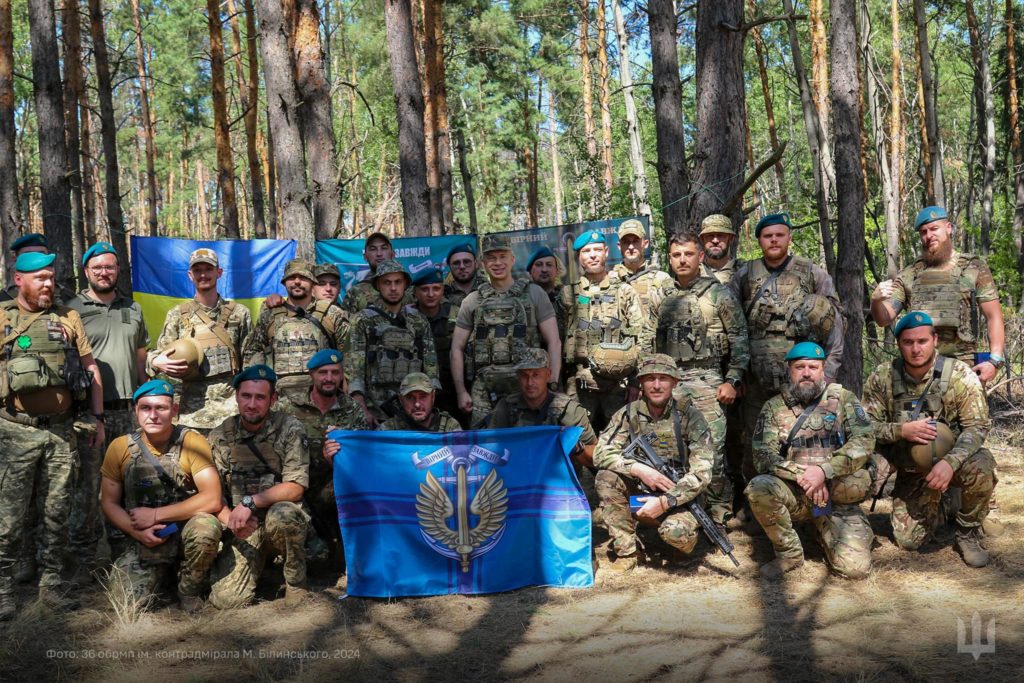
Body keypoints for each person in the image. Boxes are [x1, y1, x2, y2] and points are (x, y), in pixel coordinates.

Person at [0, 252, 105, 619]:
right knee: (9, 517)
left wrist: (98, 417)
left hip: (62, 431)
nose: (48, 283)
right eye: (40, 278)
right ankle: (4, 590)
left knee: (57, 512)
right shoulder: (2, 317)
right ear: (19, 280)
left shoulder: (68, 317)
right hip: (15, 431)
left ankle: (51, 587)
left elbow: (90, 368)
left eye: (51, 277)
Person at [861, 312, 997, 567]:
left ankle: (967, 531)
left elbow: (976, 427)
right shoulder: (883, 377)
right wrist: (901, 431)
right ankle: (947, 502)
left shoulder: (958, 374)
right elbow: (864, 427)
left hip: (950, 461)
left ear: (935, 340)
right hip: (909, 466)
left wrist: (950, 463)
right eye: (908, 342)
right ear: (898, 343)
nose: (915, 349)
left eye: (922, 341)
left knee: (981, 466)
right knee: (909, 541)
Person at [745, 342, 875, 580]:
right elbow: (763, 454)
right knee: (759, 487)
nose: (806, 372)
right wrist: (803, 476)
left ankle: (831, 529)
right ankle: (789, 554)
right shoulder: (773, 407)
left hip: (836, 496)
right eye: (800, 367)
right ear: (789, 369)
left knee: (855, 571)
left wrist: (824, 471)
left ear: (823, 368)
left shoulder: (844, 399)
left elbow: (864, 441)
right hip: (796, 494)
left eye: (813, 367)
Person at [730, 212, 844, 479]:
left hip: (803, 380)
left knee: (807, 441)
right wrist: (736, 375)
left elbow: (835, 322)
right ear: (759, 240)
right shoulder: (744, 275)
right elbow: (731, 326)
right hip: (756, 381)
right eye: (768, 236)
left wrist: (829, 372)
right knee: (755, 443)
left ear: (789, 237)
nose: (774, 240)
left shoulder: (812, 273)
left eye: (779, 235)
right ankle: (758, 505)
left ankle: (810, 505)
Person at [648, 230, 749, 528]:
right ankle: (688, 509)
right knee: (677, 448)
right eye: (676, 255)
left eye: (688, 254)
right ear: (670, 258)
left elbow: (740, 340)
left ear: (700, 256)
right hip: (671, 384)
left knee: (713, 450)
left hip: (707, 381)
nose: (682, 260)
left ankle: (719, 512)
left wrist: (733, 380)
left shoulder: (718, 293)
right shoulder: (663, 297)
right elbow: (649, 342)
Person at [98, 380, 222, 612]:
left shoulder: (192, 443)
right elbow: (109, 501)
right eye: (146, 408)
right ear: (136, 411)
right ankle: (163, 574)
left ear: (174, 411)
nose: (153, 415)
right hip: (142, 539)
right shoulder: (119, 447)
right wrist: (137, 531)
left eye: (161, 408)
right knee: (127, 605)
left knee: (207, 527)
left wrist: (155, 515)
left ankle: (189, 589)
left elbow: (212, 498)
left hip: (182, 532)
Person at [65, 242, 150, 582]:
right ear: (86, 272)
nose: (104, 272)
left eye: (110, 267)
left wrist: (146, 398)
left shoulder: (134, 309)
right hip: (89, 414)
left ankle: (126, 554)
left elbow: (141, 359)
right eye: (97, 267)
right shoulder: (70, 309)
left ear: (118, 271)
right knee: (87, 488)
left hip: (129, 411)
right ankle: (84, 560)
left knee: (129, 484)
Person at [592, 354, 714, 572]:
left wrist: (666, 501)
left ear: (674, 382)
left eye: (663, 379)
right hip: (640, 491)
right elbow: (601, 453)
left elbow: (702, 472)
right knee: (606, 478)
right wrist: (638, 469)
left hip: (678, 496)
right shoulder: (628, 414)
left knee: (677, 535)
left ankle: (680, 542)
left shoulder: (690, 416)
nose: (656, 385)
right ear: (641, 383)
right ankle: (627, 552)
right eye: (650, 379)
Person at [207, 365, 312, 608]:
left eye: (260, 397)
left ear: (273, 399)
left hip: (279, 517)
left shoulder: (290, 428)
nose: (252, 404)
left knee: (283, 516)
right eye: (246, 396)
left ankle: (296, 582)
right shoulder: (220, 436)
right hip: (244, 525)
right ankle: (259, 566)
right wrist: (231, 520)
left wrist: (248, 502)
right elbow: (213, 494)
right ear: (236, 397)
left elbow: (295, 487)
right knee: (227, 601)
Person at [870, 206, 1005, 385]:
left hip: (965, 367)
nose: (929, 235)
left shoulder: (973, 267)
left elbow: (993, 316)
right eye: (923, 232)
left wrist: (994, 361)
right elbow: (884, 318)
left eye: (934, 229)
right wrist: (875, 301)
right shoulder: (910, 274)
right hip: (920, 369)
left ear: (948, 228)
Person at [451, 233, 561, 427]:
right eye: (491, 258)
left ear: (513, 259)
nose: (497, 263)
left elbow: (553, 341)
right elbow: (457, 348)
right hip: (485, 389)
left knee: (526, 443)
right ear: (482, 263)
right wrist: (461, 391)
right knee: (484, 447)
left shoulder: (534, 293)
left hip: (527, 386)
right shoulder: (472, 300)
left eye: (502, 257)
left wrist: (551, 382)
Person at [276, 349, 368, 567]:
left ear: (342, 375)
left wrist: (338, 457)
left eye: (335, 373)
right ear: (311, 375)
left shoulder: (352, 410)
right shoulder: (288, 407)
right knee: (315, 559)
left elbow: (362, 458)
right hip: (294, 485)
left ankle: (347, 549)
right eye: (323, 372)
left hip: (332, 487)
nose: (329, 378)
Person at [148, 248, 252, 433]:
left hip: (231, 410)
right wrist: (156, 361)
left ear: (218, 273)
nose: (203, 274)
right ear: (190, 275)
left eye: (208, 269)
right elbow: (160, 356)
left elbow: (250, 358)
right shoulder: (177, 315)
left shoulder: (239, 313)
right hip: (191, 413)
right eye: (197, 270)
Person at [561, 229, 650, 433]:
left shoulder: (624, 291)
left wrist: (636, 383)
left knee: (620, 440)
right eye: (586, 251)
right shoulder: (567, 294)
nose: (592, 255)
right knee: (578, 442)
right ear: (579, 256)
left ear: (606, 252)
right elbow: (557, 339)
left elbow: (642, 338)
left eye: (597, 250)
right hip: (579, 384)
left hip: (618, 385)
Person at [487, 349, 598, 505]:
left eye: (536, 375)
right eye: (524, 376)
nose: (530, 382)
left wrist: (576, 446)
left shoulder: (569, 410)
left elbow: (594, 456)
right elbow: (488, 451)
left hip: (560, 486)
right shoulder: (506, 408)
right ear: (518, 378)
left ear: (548, 374)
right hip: (517, 484)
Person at [345, 259, 438, 426]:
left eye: (398, 282)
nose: (393, 288)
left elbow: (431, 369)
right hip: (376, 411)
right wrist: (362, 409)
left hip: (413, 410)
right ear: (378, 285)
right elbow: (354, 371)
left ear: (405, 285)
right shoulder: (362, 320)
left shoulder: (418, 321)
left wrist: (428, 411)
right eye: (387, 283)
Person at [242, 258, 347, 392]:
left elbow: (350, 356)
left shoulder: (332, 314)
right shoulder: (268, 316)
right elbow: (253, 354)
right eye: (291, 277)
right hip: (280, 399)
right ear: (284, 282)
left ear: (312, 282)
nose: (297, 281)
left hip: (323, 398)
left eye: (303, 277)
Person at [409, 266, 461, 421]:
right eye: (425, 289)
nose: (431, 294)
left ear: (443, 291)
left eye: (436, 289)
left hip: (452, 390)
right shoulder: (407, 318)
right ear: (415, 292)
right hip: (417, 396)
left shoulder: (457, 315)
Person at [611, 218, 673, 310]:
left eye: (636, 241)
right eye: (626, 242)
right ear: (619, 246)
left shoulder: (662, 279)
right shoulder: (611, 280)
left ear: (646, 243)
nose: (631, 247)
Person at [377, 372, 463, 432]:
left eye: (423, 397)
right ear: (401, 400)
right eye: (410, 398)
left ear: (433, 397)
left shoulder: (450, 427)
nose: (417, 404)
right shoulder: (389, 429)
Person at [340, 231, 396, 313]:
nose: (379, 254)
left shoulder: (408, 289)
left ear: (393, 254)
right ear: (365, 257)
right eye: (373, 249)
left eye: (384, 248)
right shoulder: (355, 292)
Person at [527, 246, 568, 343]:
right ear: (530, 271)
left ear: (556, 270)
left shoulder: (567, 298)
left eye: (549, 265)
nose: (544, 269)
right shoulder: (521, 299)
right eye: (539, 265)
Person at [0, 233, 49, 302]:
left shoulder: (65, 296)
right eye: (28, 256)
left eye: (41, 255)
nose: (35, 260)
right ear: (15, 258)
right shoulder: (4, 299)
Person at [698, 214, 744, 285]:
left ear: (731, 239)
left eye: (721, 235)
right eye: (710, 235)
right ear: (702, 239)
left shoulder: (746, 271)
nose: (715, 241)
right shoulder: (693, 272)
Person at [444, 242, 485, 308]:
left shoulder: (488, 290)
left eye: (466, 262)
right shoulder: (442, 295)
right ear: (449, 266)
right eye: (456, 263)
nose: (462, 266)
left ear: (476, 264)